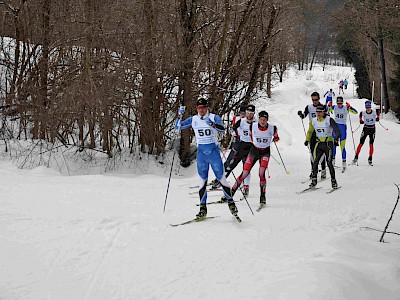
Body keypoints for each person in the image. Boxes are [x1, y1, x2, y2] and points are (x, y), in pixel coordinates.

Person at [175, 97, 238, 218]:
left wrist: (213, 125)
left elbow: (223, 130)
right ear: (197, 108)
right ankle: (203, 208)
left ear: (207, 107)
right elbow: (178, 127)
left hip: (213, 152)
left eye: (203, 107)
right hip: (202, 153)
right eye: (199, 108)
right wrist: (180, 115)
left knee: (221, 178)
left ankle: (231, 203)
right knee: (202, 180)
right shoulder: (194, 119)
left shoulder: (214, 117)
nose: (201, 110)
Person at [222, 111, 279, 206]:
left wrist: (273, 140)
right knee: (244, 172)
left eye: (264, 120)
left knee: (261, 173)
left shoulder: (272, 128)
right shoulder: (253, 126)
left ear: (267, 120)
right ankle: (231, 192)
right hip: (254, 151)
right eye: (261, 119)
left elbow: (277, 138)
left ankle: (262, 197)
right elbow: (251, 136)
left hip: (265, 152)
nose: (262, 121)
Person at [304, 105, 340, 189]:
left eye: (320, 112)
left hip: (328, 144)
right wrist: (307, 140)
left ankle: (333, 181)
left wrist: (336, 139)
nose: (318, 113)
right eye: (317, 112)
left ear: (324, 112)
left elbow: (336, 130)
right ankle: (314, 180)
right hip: (319, 143)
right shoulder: (313, 121)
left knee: (329, 163)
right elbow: (310, 131)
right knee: (315, 162)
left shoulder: (329, 120)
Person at [298, 92, 327, 179]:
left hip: (322, 132)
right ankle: (313, 170)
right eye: (313, 100)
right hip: (312, 132)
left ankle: (323, 170)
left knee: (321, 152)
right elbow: (304, 116)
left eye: (316, 100)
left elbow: (327, 119)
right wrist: (300, 114)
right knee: (311, 152)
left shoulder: (323, 107)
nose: (314, 101)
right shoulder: (309, 107)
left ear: (319, 99)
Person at [327, 96, 358, 171]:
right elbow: (328, 109)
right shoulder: (334, 107)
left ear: (342, 103)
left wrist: (350, 107)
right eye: (338, 103)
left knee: (342, 146)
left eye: (340, 103)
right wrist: (329, 105)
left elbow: (355, 112)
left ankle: (344, 162)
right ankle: (333, 162)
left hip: (343, 128)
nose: (339, 105)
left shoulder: (345, 108)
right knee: (334, 146)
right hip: (335, 128)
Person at [352, 101, 380, 165]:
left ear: (370, 107)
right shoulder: (363, 112)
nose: (368, 108)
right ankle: (356, 157)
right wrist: (360, 120)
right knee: (361, 143)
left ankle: (370, 158)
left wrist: (378, 118)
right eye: (367, 107)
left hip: (372, 129)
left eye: (369, 107)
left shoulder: (374, 112)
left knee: (371, 144)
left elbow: (378, 114)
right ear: (365, 107)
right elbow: (360, 114)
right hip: (365, 129)